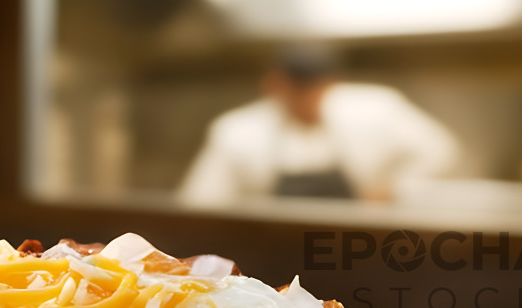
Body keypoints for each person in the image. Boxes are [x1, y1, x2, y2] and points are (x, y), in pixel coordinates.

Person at [178, 43, 459, 207]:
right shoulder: (236, 130)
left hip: (358, 241)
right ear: (274, 84)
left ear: (330, 84)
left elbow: (440, 149)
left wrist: (394, 189)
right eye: (296, 88)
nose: (307, 97)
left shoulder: (377, 108)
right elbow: (200, 200)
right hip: (270, 247)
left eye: (314, 88)